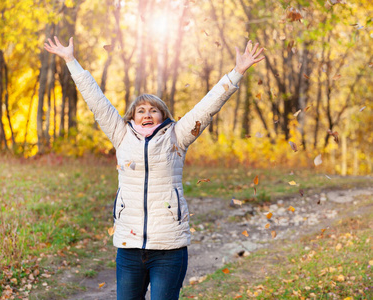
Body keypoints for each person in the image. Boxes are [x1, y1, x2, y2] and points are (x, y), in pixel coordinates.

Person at [44, 36, 264, 300]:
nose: (147, 114)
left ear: (163, 115)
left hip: (169, 248)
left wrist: (236, 73)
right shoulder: (120, 134)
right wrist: (70, 60)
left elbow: (207, 107)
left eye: (153, 110)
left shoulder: (177, 137)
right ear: (132, 117)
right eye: (141, 111)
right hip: (129, 246)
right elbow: (96, 100)